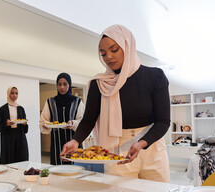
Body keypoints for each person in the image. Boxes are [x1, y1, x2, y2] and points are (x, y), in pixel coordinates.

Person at [60, 25, 171, 182]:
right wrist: (75, 140)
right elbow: (88, 119)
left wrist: (141, 143)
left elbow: (163, 122)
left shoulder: (154, 76)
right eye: (103, 53)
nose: (108, 57)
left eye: (114, 49)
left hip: (151, 147)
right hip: (117, 150)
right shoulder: (99, 84)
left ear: (127, 47)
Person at [40, 73, 85, 165]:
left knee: (75, 170)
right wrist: (45, 126)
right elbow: (43, 121)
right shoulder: (50, 102)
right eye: (59, 84)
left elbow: (83, 122)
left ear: (69, 84)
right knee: (57, 170)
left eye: (65, 84)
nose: (62, 87)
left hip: (74, 142)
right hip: (57, 143)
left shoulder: (77, 102)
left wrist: (73, 123)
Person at [0, 86, 29, 164]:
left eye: (16, 93)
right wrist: (6, 124)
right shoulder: (2, 109)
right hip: (8, 137)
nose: (14, 95)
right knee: (8, 159)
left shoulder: (21, 108)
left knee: (21, 159)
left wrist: (24, 124)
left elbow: (25, 130)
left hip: (20, 137)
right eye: (12, 93)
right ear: (8, 94)